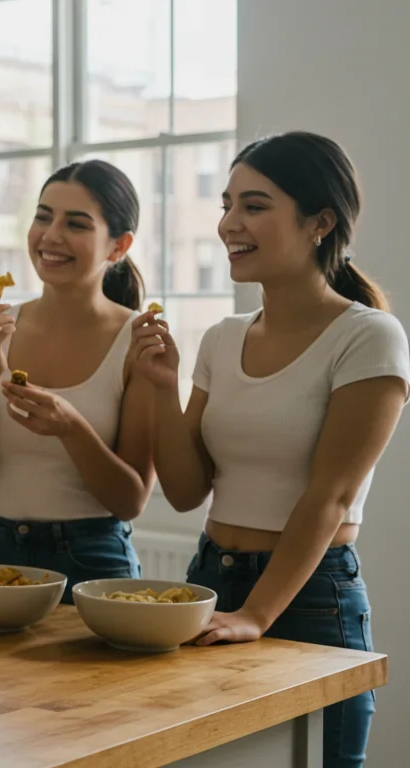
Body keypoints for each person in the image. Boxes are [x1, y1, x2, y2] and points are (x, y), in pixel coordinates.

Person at [131, 131, 408, 768]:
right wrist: (158, 388)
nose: (230, 223)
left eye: (254, 206)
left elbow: (330, 497)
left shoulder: (369, 338)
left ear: (320, 222)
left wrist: (256, 614)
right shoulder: (222, 339)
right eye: (226, 204)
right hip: (208, 582)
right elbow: (183, 489)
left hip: (310, 599)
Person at [0, 160, 156, 603]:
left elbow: (130, 501)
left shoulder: (141, 340)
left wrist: (70, 426)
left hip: (92, 559)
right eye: (42, 216)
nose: (51, 235)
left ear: (119, 246)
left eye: (75, 224)